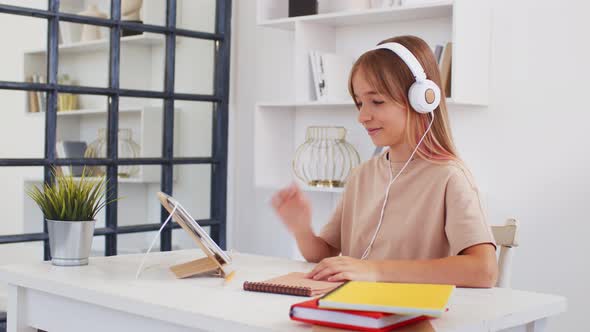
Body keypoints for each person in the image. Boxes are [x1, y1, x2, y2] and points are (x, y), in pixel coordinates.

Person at [271, 35, 498, 288]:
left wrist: (374, 270)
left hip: (412, 317)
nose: (362, 116)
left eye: (377, 101)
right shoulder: (361, 175)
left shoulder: (449, 176)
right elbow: (323, 253)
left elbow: (484, 270)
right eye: (359, 103)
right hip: (354, 308)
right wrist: (301, 228)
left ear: (421, 100)